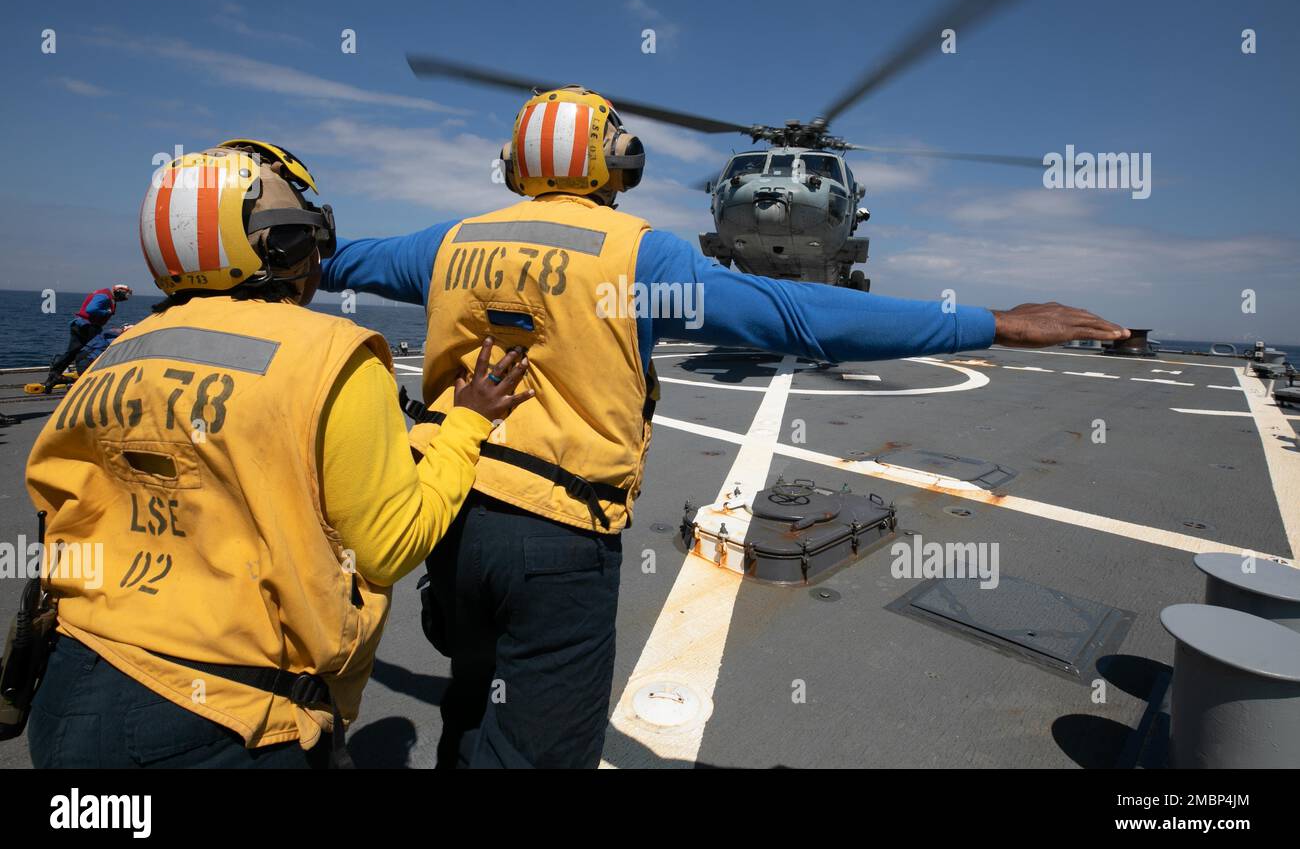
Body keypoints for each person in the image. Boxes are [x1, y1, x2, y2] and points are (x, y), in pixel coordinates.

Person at [320, 86, 1130, 768]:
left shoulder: (449, 243)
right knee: (540, 748)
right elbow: (802, 316)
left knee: (470, 703)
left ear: (514, 166)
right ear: (617, 163)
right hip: (558, 541)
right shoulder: (640, 256)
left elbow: (335, 259)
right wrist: (990, 322)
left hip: (452, 520)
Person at [24, 139, 531, 769]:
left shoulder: (116, 356)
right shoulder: (332, 354)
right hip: (225, 716)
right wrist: (468, 423)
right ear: (286, 247)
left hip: (69, 689)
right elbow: (390, 545)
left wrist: (428, 433)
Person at [42, 284, 133, 393]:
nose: (125, 298)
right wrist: (107, 312)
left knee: (72, 353)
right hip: (87, 326)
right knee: (95, 350)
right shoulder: (104, 296)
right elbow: (91, 309)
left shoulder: (106, 296)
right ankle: (89, 377)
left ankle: (52, 377)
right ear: (118, 292)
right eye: (125, 295)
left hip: (80, 325)